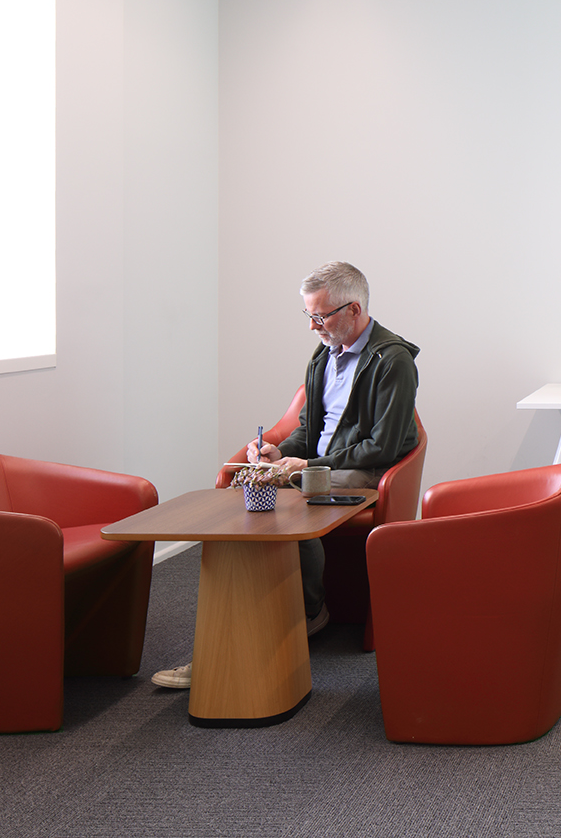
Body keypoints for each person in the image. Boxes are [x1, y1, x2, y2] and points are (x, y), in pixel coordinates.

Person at [152, 261, 419, 689]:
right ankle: (239, 634)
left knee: (280, 497)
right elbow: (308, 430)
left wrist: (306, 468)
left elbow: (383, 448)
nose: (314, 326)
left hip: (363, 471)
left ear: (354, 310)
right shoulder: (323, 356)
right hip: (323, 467)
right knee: (252, 489)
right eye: (308, 315)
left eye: (322, 316)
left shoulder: (393, 360)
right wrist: (282, 451)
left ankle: (301, 616)